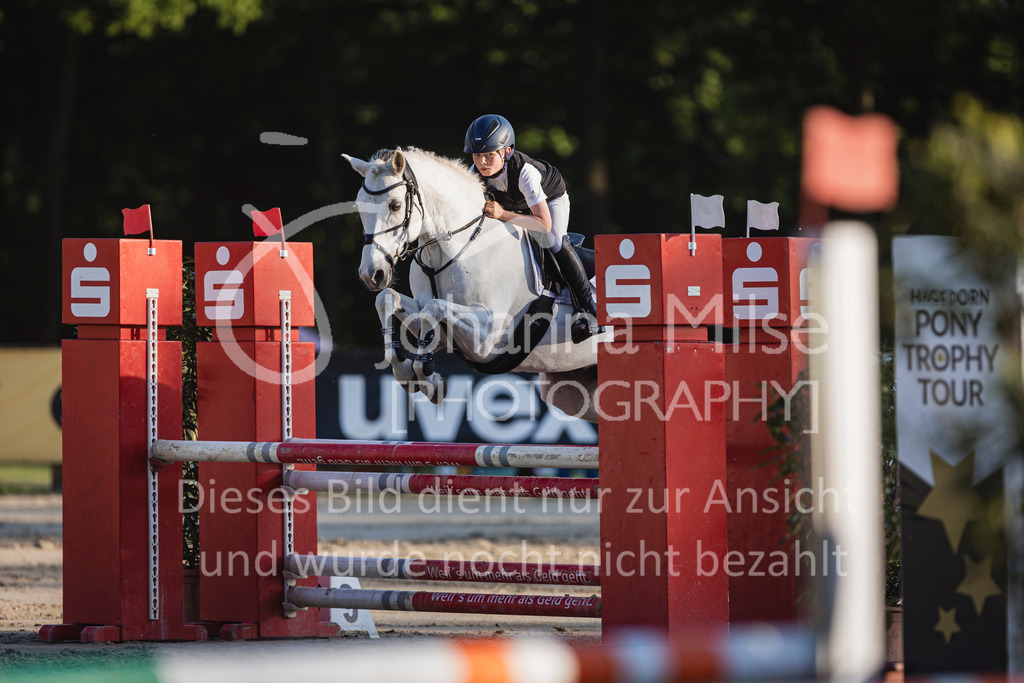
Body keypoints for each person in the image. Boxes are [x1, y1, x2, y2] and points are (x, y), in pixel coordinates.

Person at [463, 113, 603, 344]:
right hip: (516, 204)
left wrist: (504, 215)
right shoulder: (473, 174)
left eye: (489, 155)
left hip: (549, 202)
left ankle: (587, 310)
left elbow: (543, 223)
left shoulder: (525, 172)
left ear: (506, 152)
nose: (482, 162)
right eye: (477, 155)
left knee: (553, 240)